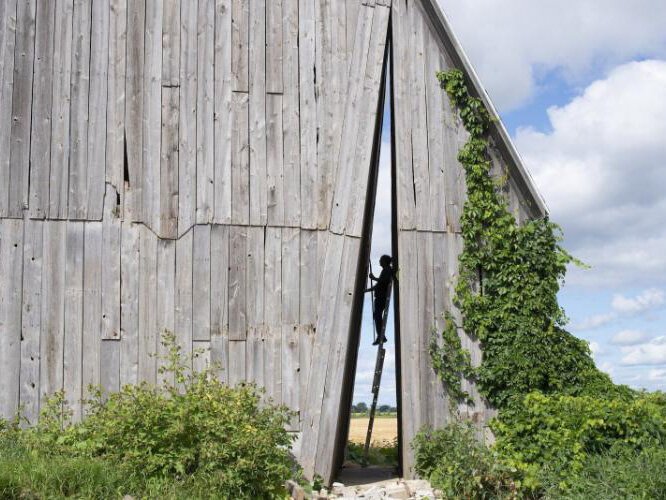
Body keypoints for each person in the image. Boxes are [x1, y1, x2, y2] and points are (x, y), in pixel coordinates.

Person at [365, 255, 393, 345]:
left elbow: (384, 281)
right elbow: (378, 285)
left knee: (377, 317)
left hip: (381, 298)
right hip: (380, 297)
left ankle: (381, 336)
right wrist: (367, 290)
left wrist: (374, 278)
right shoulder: (385, 270)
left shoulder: (387, 270)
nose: (379, 261)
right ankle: (381, 336)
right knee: (377, 317)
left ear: (384, 261)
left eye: (381, 260)